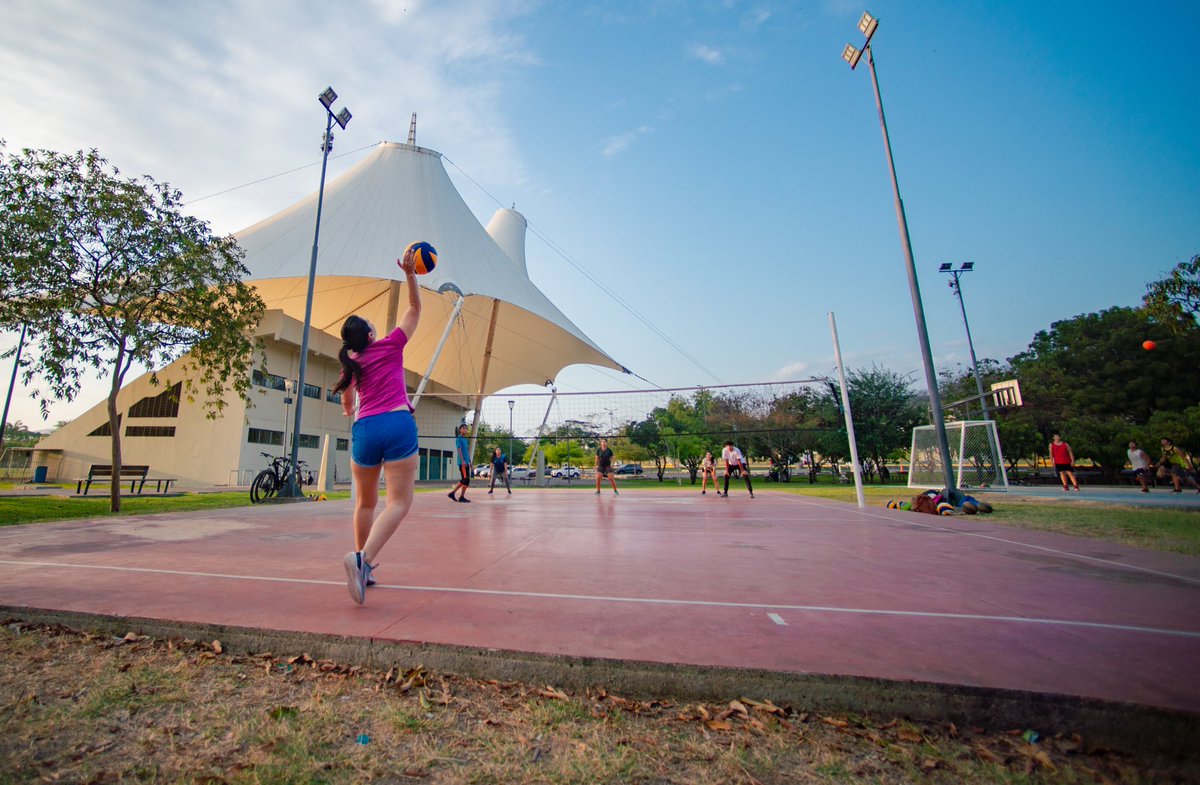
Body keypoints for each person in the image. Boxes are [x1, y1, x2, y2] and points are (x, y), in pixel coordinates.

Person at [334, 247, 422, 605]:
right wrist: (410, 275)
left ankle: (361, 563)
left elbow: (347, 401)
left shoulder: (351, 362)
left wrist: (348, 411)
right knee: (399, 502)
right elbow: (414, 310)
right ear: (371, 334)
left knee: (366, 503)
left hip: (365, 429)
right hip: (397, 424)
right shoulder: (390, 345)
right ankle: (363, 560)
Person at [448, 423, 472, 503]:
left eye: (466, 428)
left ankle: (452, 493)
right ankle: (461, 497)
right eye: (463, 428)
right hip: (462, 463)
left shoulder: (465, 439)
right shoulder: (459, 439)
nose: (465, 430)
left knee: (464, 480)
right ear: (460, 430)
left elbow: (467, 451)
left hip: (466, 462)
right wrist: (462, 461)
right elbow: (459, 450)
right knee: (466, 480)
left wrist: (470, 461)